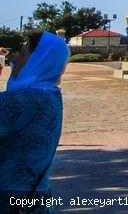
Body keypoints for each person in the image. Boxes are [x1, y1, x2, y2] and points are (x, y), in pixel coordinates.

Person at [1, 31, 71, 210]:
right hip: (39, 198)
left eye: (23, 54)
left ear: (39, 61)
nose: (14, 61)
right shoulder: (52, 96)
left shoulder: (18, 101)